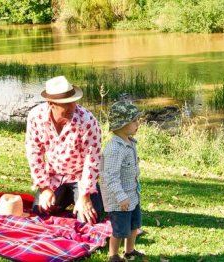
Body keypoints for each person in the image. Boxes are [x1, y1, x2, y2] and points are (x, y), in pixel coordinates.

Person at [26, 75, 103, 224]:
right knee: (39, 212)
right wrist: (44, 188)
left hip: (80, 177)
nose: (72, 107)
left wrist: (85, 196)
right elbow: (34, 153)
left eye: (73, 101)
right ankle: (62, 199)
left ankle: (91, 198)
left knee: (88, 219)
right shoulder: (35, 117)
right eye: (65, 104)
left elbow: (92, 160)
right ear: (51, 103)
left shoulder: (88, 121)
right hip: (54, 176)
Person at [100, 101, 146, 262]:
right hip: (119, 199)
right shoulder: (114, 149)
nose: (137, 124)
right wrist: (120, 196)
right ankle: (113, 255)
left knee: (134, 225)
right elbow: (109, 176)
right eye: (134, 121)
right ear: (121, 124)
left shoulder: (130, 143)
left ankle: (130, 250)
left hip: (132, 194)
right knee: (120, 229)